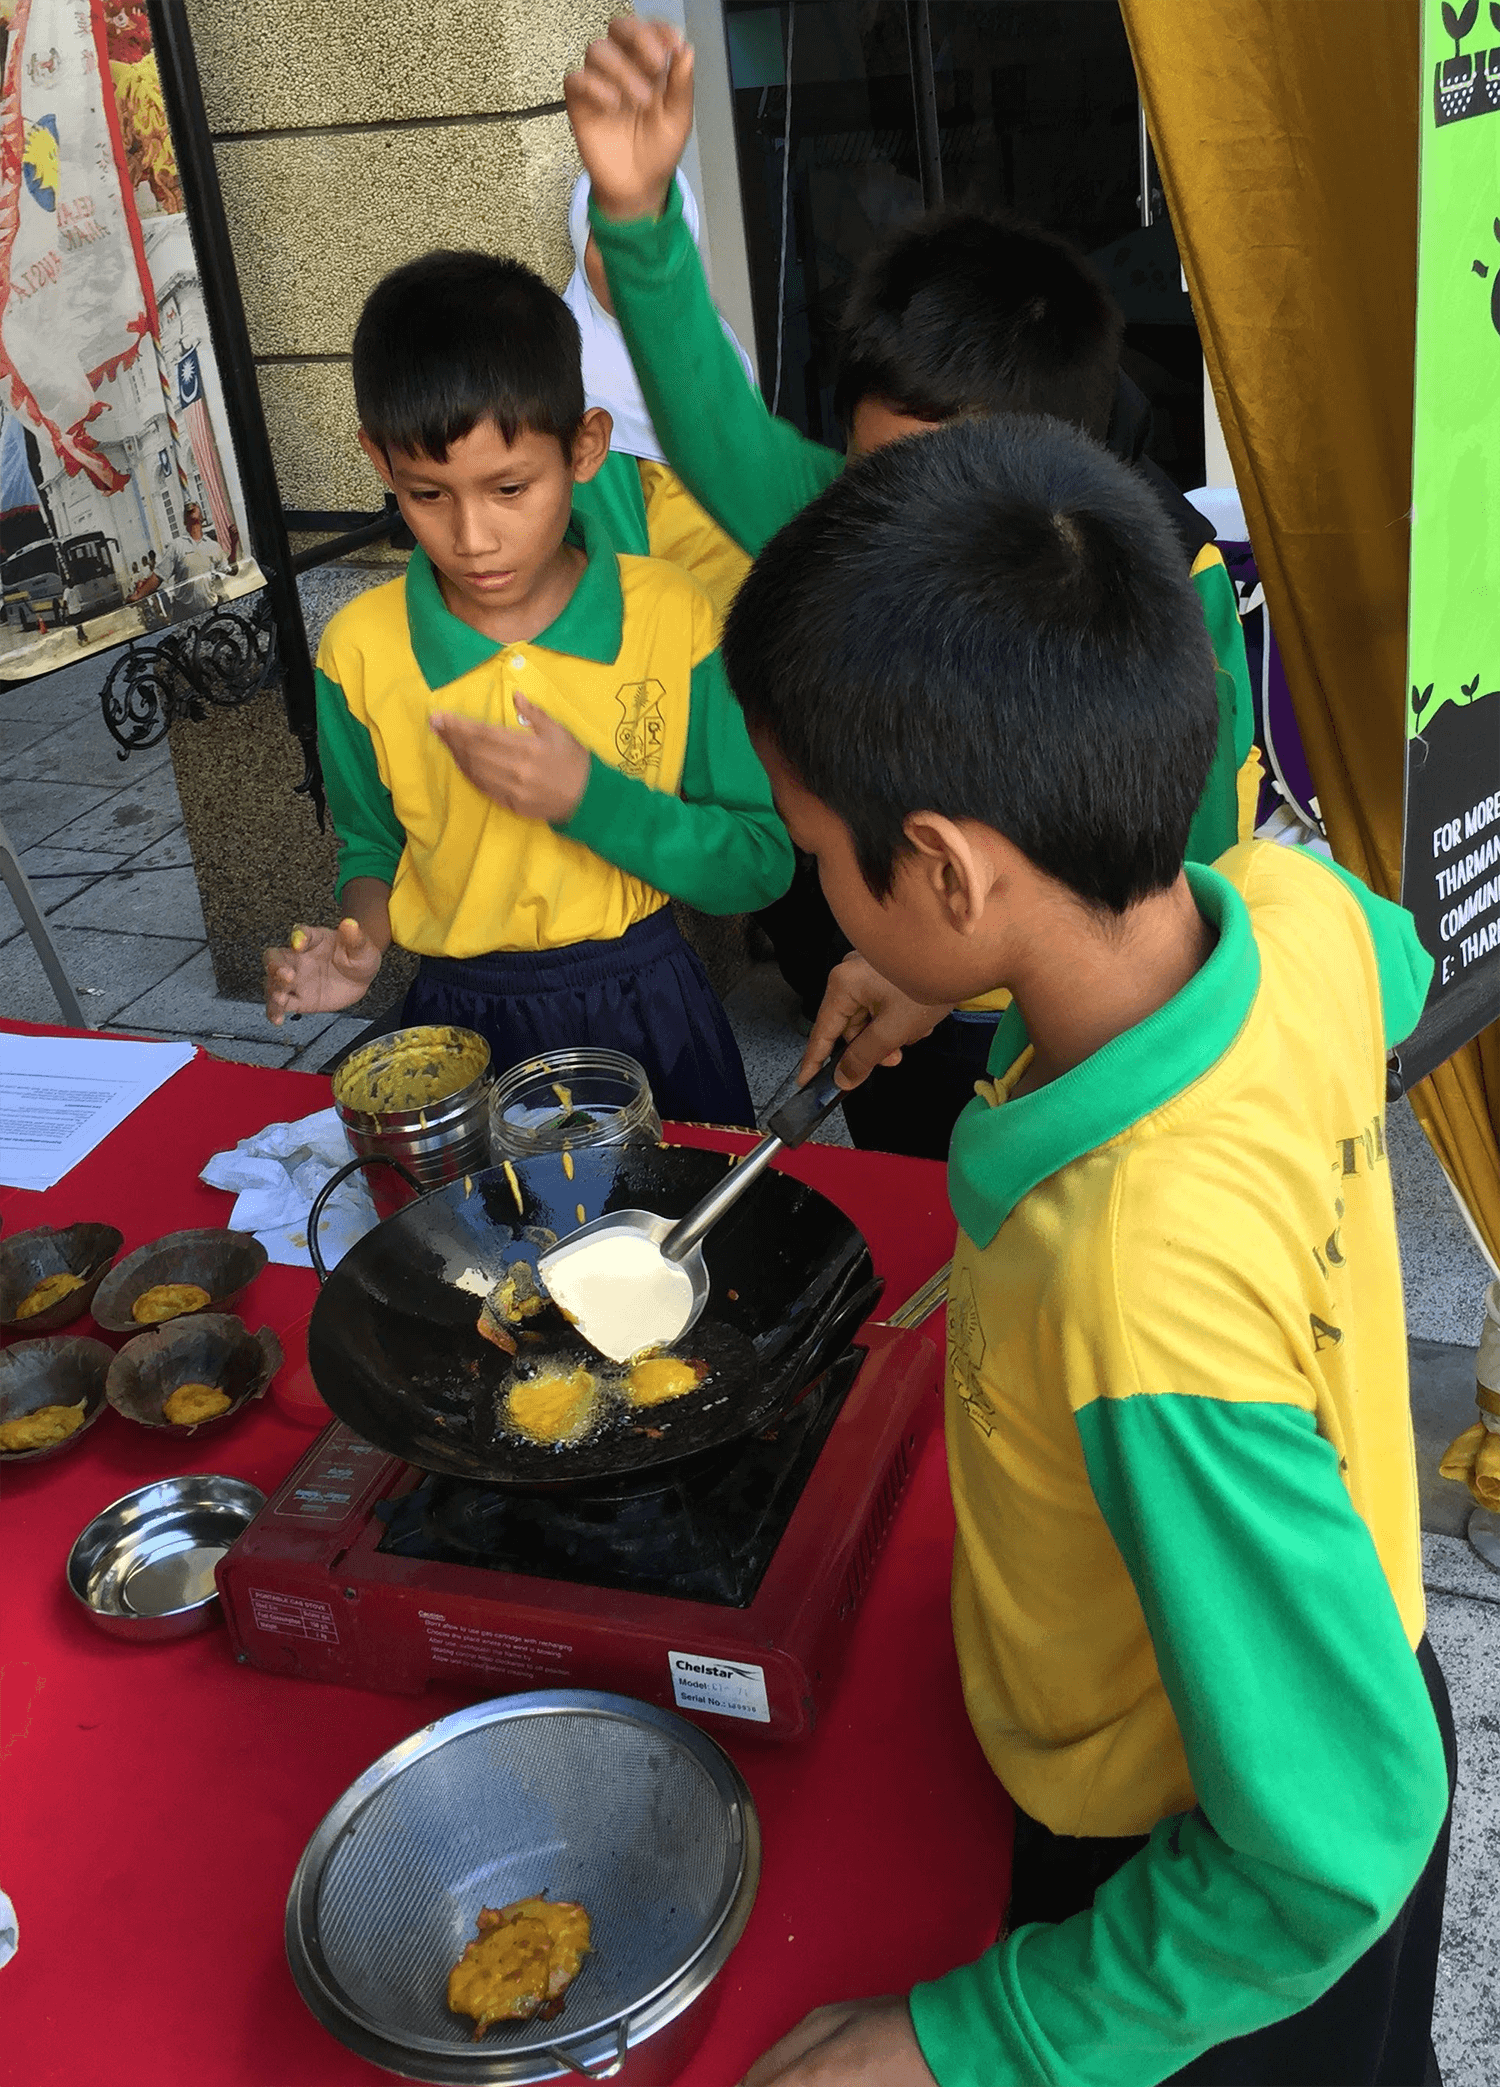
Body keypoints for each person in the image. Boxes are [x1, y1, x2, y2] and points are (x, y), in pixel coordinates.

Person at [716, 415, 1452, 2087]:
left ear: (950, 872)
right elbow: (1392, 980)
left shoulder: (1134, 1283)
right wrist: (977, 973)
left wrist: (952, 2039)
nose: (817, 887)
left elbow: (1336, 1836)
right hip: (1316, 1645)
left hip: (1215, 1848)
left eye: (825, 857)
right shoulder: (1292, 905)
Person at [564, 17, 1256, 1159]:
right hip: (909, 991)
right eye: (871, 478)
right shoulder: (855, 513)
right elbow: (717, 424)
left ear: (1047, 485)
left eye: (929, 493)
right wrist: (636, 219)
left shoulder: (1158, 594)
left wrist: (983, 982)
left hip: (1096, 1052)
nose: (882, 527)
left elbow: (1186, 874)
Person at [262, 250, 792, 1126]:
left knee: (674, 1242)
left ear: (585, 446)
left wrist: (591, 797)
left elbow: (757, 861)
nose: (473, 536)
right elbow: (370, 846)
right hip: (458, 1023)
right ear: (378, 461)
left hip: (646, 1003)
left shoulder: (670, 615)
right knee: (482, 1256)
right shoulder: (359, 650)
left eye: (510, 488)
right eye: (427, 494)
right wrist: (362, 944)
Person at [565, 169, 755, 624]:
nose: (630, 261)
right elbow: (621, 571)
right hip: (683, 645)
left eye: (656, 236)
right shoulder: (586, 388)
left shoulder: (708, 340)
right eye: (606, 239)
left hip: (756, 616)